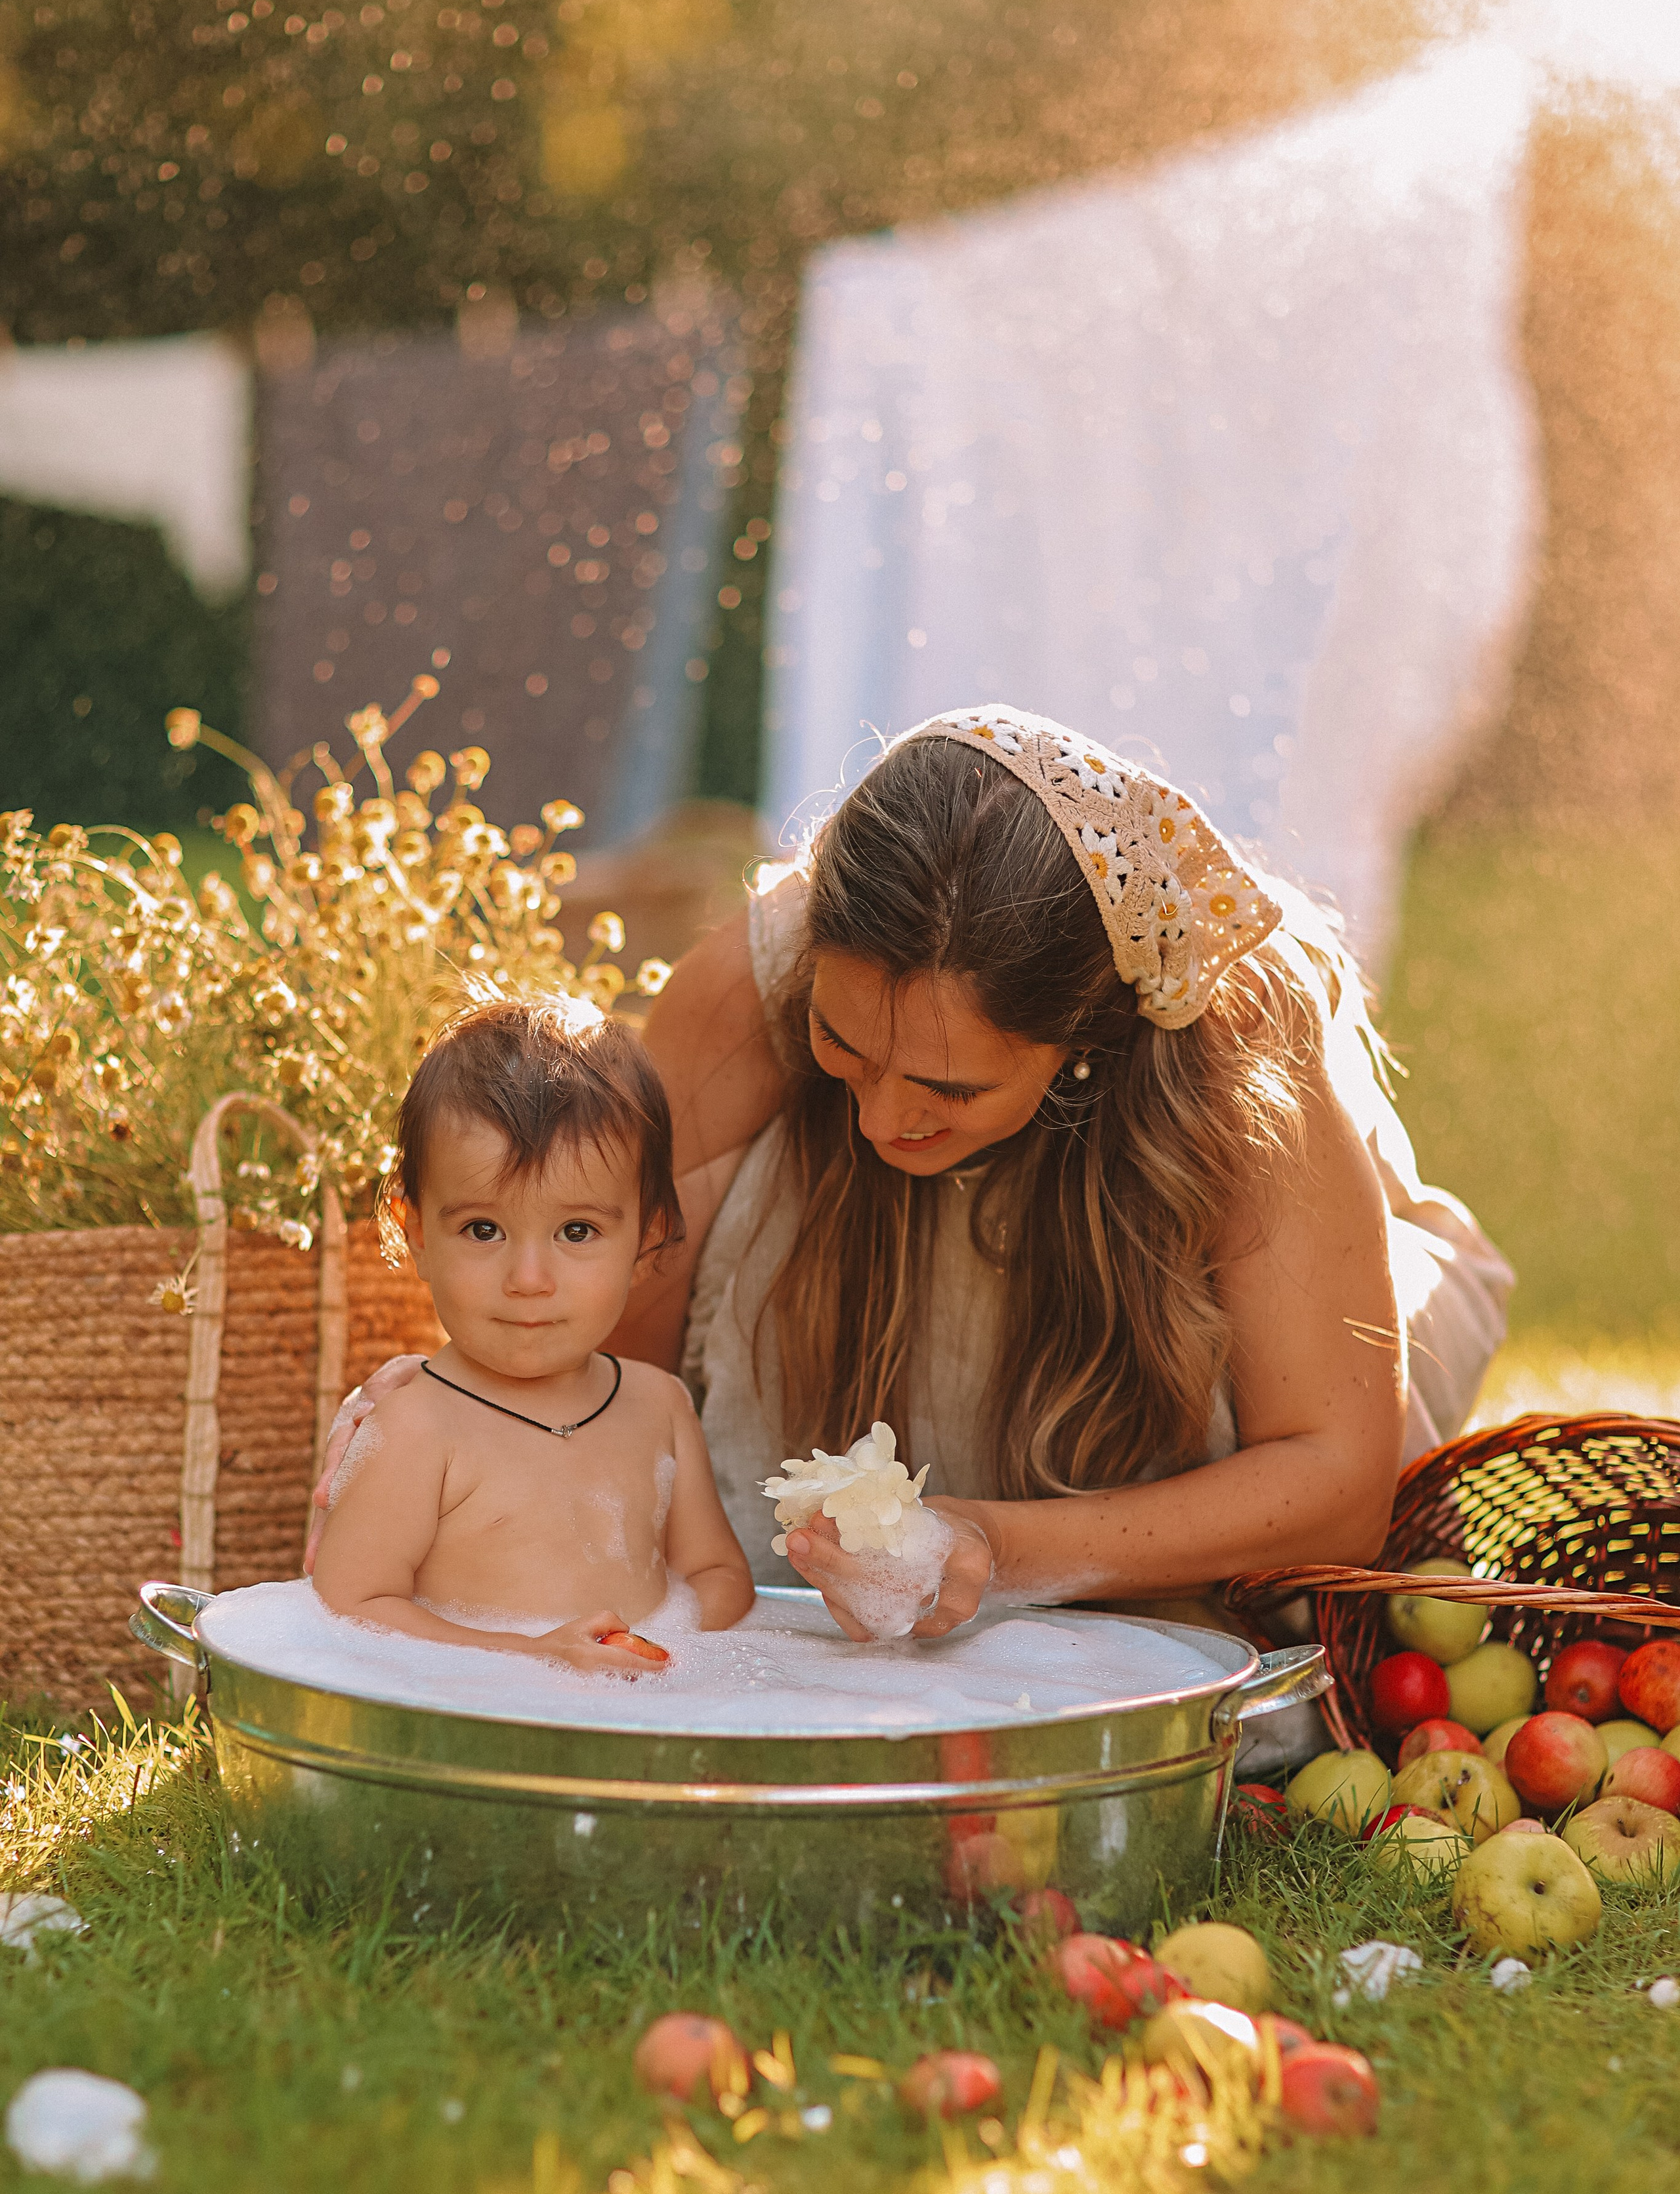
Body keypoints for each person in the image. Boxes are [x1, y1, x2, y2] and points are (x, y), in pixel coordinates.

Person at [312, 705, 1511, 1646]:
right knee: (697, 1167)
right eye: (846, 1050)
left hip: (1198, 1361)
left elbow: (1335, 1479)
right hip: (864, 1300)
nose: (885, 1117)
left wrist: (995, 1541)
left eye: (947, 1090)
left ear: (1079, 1041)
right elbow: (598, 1252)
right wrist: (491, 1462)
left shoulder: (1231, 1046)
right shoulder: (757, 979)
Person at [310, 990, 754, 1671]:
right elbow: (350, 1609)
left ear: (648, 1237)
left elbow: (718, 1576)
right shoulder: (418, 1428)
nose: (528, 1278)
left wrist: (672, 1657)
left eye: (577, 1231)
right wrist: (530, 1657)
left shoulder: (659, 1406)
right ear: (416, 1231)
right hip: (471, 1721)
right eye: (482, 1229)